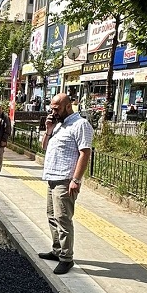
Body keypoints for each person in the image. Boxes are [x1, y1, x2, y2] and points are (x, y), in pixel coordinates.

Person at [38, 92, 94, 275]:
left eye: (56, 108)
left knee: (63, 219)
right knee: (52, 216)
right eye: (51, 108)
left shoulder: (80, 125)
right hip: (52, 178)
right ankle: (57, 250)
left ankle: (66, 258)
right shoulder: (58, 125)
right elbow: (44, 147)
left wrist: (76, 180)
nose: (53, 112)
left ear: (68, 106)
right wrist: (48, 129)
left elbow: (85, 153)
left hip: (65, 180)